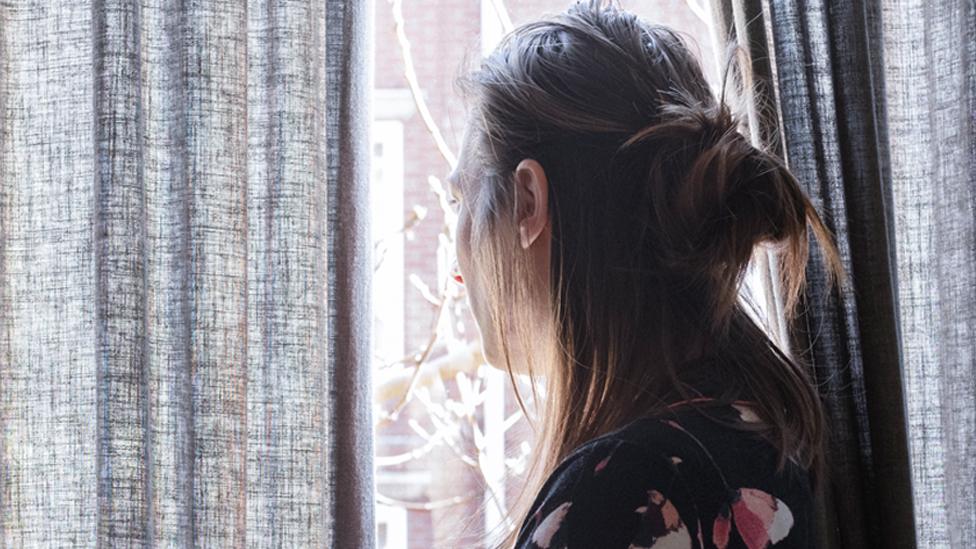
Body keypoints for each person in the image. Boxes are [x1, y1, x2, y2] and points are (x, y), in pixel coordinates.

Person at [444, 1, 847, 547]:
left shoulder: (624, 492)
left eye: (462, 202)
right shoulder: (760, 440)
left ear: (528, 202)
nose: (458, 273)